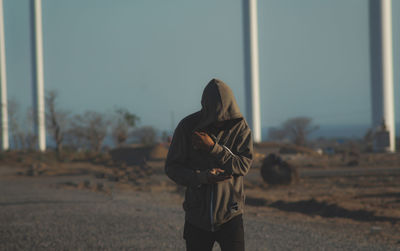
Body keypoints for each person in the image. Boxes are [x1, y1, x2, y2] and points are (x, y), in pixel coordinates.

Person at [165, 78, 253, 251]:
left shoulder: (240, 128)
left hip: (231, 214)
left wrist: (213, 148)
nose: (219, 121)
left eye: (224, 115)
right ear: (205, 107)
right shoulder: (187, 127)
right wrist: (201, 177)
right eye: (215, 115)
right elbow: (172, 168)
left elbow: (243, 166)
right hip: (197, 216)